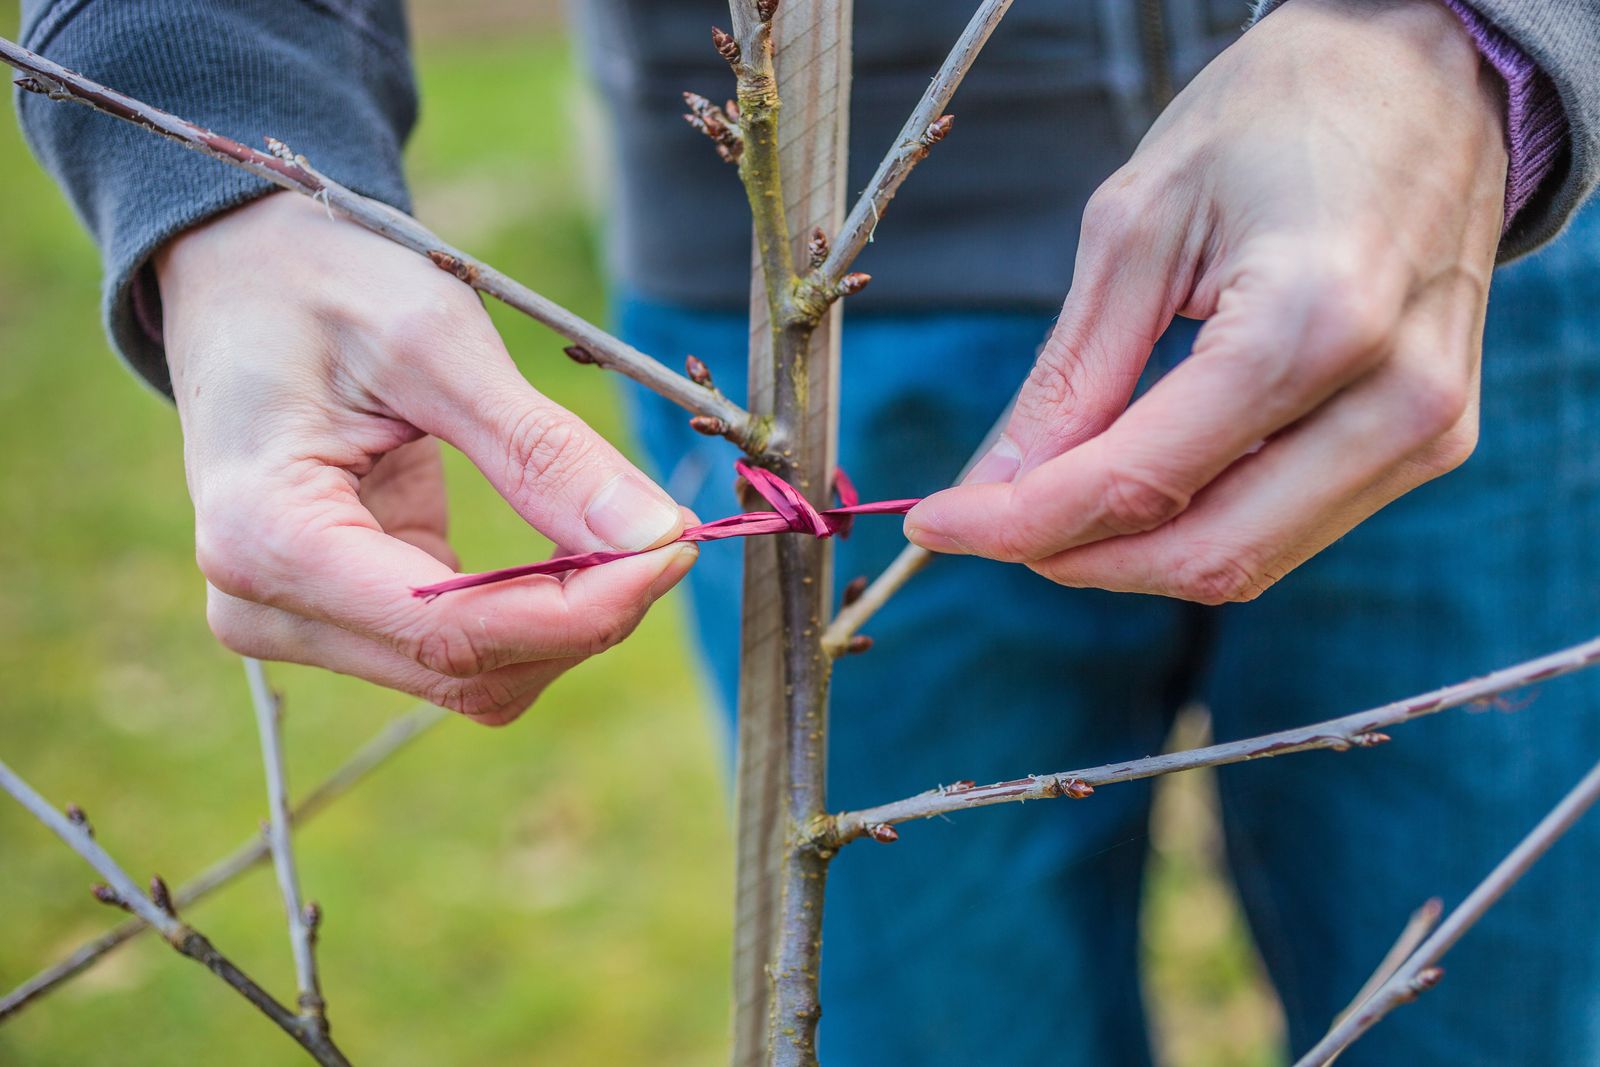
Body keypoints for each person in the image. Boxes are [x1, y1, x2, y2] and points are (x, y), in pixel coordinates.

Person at [14, 0, 1600, 1062]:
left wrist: (1485, 33)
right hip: (804, 320)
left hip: (1470, 256)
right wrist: (217, 168)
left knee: (1501, 1006)